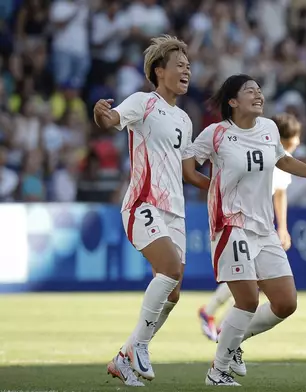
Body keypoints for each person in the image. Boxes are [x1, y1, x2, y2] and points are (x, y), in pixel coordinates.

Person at [182, 74, 306, 386]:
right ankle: (217, 371)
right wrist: (214, 191)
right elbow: (187, 168)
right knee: (247, 301)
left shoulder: (269, 128)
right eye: (250, 91)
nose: (258, 95)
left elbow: (284, 161)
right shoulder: (216, 134)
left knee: (286, 303)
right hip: (231, 225)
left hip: (263, 227)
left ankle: (232, 343)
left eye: (260, 90)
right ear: (233, 101)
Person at [93, 35, 209, 386]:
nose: (187, 70)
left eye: (189, 66)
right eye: (179, 65)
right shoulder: (143, 102)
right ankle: (141, 346)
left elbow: (189, 173)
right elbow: (110, 119)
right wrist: (101, 113)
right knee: (169, 269)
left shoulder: (185, 120)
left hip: (175, 211)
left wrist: (219, 186)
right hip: (144, 202)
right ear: (159, 71)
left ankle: (124, 356)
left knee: (173, 292)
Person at [198, 113, 302, 341]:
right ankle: (215, 315)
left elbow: (280, 194)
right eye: (295, 139)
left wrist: (281, 227)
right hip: (239, 223)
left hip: (262, 226)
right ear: (285, 138)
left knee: (257, 280)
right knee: (250, 279)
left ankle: (218, 319)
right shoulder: (261, 156)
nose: (298, 144)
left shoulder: (282, 160)